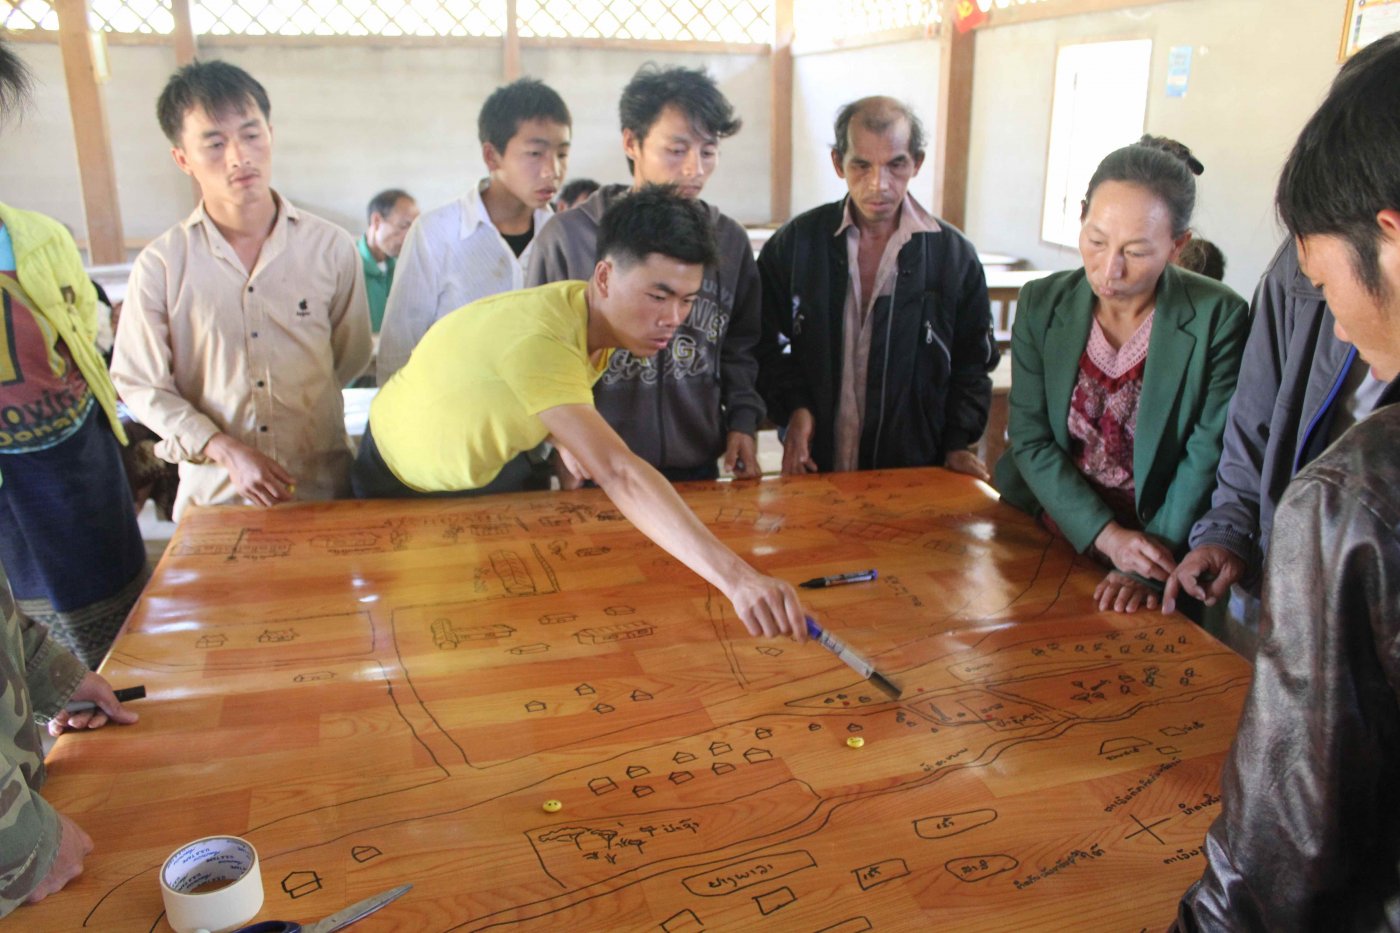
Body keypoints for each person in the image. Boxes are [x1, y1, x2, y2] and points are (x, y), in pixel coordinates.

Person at [354, 187, 806, 641]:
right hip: (399, 478)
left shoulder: (585, 312)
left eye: (687, 300)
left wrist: (560, 435)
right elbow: (620, 473)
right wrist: (739, 579)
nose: (674, 318)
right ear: (605, 277)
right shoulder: (544, 339)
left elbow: (523, 384)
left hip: (472, 469)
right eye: (658, 295)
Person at [1175, 32, 1400, 930]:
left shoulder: (1357, 496)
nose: (1338, 331)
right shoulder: (1293, 286)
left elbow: (1282, 848)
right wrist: (1230, 521)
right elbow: (1255, 417)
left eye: (1325, 280)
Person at [0, 36, 141, 920]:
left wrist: (44, 671)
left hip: (71, 456)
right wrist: (17, 841)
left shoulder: (38, 237)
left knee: (104, 609)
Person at [993, 139, 1249, 614]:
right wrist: (1107, 538)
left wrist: (1144, 559)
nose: (1109, 269)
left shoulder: (1219, 317)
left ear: (1178, 246)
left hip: (1159, 541)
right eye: (1095, 241)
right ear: (1083, 216)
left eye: (1135, 251)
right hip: (1054, 521)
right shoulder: (1042, 304)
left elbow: (1205, 453)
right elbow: (1029, 438)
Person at [111, 61, 371, 519]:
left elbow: (345, 357)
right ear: (182, 158)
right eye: (214, 142)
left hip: (322, 489)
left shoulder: (331, 247)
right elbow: (140, 383)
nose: (239, 156)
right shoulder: (163, 265)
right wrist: (225, 449)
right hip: (217, 501)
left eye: (251, 134)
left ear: (270, 133)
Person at [527, 64, 763, 484]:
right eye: (677, 150)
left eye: (708, 152)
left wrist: (743, 420)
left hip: (696, 463)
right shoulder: (568, 239)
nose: (695, 169)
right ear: (631, 142)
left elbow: (742, 346)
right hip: (597, 467)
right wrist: (560, 441)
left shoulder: (728, 241)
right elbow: (539, 356)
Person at [1160, 237, 1385, 652]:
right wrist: (1230, 532)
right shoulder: (1299, 255)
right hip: (1276, 574)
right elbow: (1254, 418)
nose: (1338, 328)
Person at [0, 44, 148, 670]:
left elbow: (84, 350)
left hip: (79, 472)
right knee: (29, 664)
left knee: (124, 649)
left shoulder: (40, 236)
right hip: (12, 503)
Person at [757, 96, 998, 479]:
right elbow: (763, 340)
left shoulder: (952, 256)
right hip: (815, 463)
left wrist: (957, 442)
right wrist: (794, 407)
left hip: (912, 468)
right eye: (861, 165)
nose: (879, 185)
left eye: (896, 165)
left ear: (916, 162)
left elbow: (973, 363)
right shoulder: (797, 243)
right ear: (838, 163)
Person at [377, 78, 570, 382]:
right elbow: (398, 350)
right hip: (449, 423)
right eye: (535, 154)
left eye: (562, 154)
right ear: (492, 156)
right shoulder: (437, 233)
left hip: (538, 425)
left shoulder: (561, 236)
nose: (553, 171)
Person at [357, 188, 418, 334]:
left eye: (415, 227)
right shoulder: (349, 265)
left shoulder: (407, 267)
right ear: (377, 221)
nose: (411, 235)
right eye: (404, 226)